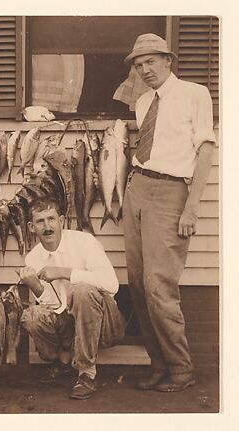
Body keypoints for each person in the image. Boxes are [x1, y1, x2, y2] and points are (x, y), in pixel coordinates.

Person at [122, 34, 216, 392]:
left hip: (172, 191)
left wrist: (191, 206)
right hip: (138, 187)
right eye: (137, 64)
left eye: (150, 62)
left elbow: (205, 152)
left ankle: (181, 368)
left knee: (159, 285)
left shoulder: (195, 93)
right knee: (138, 282)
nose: (144, 69)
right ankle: (158, 363)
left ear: (168, 61)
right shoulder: (143, 101)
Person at [19, 199, 125, 400]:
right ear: (32, 227)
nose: (47, 226)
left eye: (51, 219)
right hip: (70, 321)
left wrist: (65, 272)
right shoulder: (33, 257)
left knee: (81, 291)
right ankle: (62, 359)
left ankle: (87, 372)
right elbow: (55, 306)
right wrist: (35, 286)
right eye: (40, 221)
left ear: (61, 220)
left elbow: (112, 284)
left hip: (106, 324)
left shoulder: (84, 242)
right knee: (31, 315)